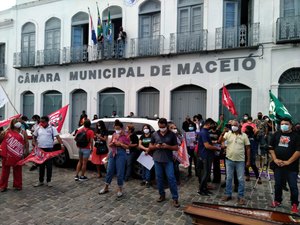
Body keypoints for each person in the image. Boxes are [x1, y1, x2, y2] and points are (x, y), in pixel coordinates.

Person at [269, 118, 300, 213]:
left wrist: (288, 162)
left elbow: (298, 151)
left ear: (291, 125)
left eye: (286, 124)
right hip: (278, 165)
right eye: (282, 124)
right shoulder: (276, 134)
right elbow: (271, 148)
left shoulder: (296, 136)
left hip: (291, 166)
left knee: (293, 186)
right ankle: (278, 200)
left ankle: (294, 203)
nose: (284, 125)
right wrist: (275, 159)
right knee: (278, 184)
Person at [149, 118, 180, 208]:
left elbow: (176, 147)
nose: (161, 128)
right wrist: (156, 146)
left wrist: (168, 146)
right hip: (157, 159)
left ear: (166, 125)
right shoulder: (154, 134)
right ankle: (161, 194)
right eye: (160, 127)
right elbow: (150, 146)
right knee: (159, 178)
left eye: (163, 127)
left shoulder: (172, 135)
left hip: (168, 160)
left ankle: (175, 198)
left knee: (171, 178)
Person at [220, 120, 250, 205]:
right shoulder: (228, 134)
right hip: (229, 159)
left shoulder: (244, 135)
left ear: (239, 126)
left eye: (235, 125)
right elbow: (221, 141)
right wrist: (223, 133)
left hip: (240, 161)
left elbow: (248, 148)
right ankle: (228, 194)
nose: (233, 126)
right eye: (232, 125)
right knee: (229, 178)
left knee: (240, 179)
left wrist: (248, 160)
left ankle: (240, 196)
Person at [99, 119, 130, 197]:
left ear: (121, 128)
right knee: (109, 170)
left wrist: (120, 144)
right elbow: (109, 144)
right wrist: (112, 144)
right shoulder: (113, 134)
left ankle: (120, 188)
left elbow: (127, 146)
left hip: (121, 154)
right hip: (112, 153)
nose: (117, 130)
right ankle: (106, 187)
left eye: (118, 128)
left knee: (120, 172)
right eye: (115, 128)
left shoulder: (125, 135)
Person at [33, 116, 65, 187]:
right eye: (40, 121)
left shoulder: (52, 128)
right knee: (41, 166)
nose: (41, 123)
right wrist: (35, 144)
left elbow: (58, 137)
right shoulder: (38, 128)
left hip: (49, 150)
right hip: (41, 149)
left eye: (43, 122)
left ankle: (48, 181)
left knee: (49, 166)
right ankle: (40, 181)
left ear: (47, 122)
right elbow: (34, 137)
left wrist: (62, 145)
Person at [0, 119, 29, 191]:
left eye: (19, 121)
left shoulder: (23, 132)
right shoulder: (7, 132)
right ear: (12, 124)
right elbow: (1, 140)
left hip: (18, 154)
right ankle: (3, 186)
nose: (18, 123)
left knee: (18, 171)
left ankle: (18, 185)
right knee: (5, 171)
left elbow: (26, 142)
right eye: (16, 122)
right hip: (7, 154)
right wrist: (3, 133)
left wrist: (26, 151)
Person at [197, 119, 221, 196]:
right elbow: (207, 146)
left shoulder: (206, 131)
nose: (213, 126)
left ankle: (205, 188)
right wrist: (217, 148)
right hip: (205, 155)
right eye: (212, 124)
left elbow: (208, 142)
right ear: (208, 124)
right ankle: (201, 189)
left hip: (208, 155)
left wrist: (214, 143)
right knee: (206, 173)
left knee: (207, 173)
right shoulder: (204, 132)